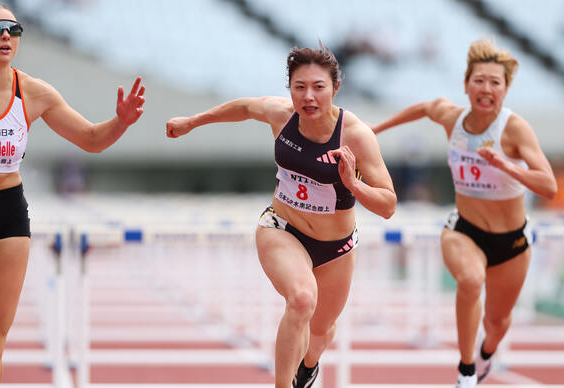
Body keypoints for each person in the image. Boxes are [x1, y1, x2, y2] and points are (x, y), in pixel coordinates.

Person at [166, 45, 396, 388]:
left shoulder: (356, 136)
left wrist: (352, 184)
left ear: (335, 88)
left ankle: (309, 366)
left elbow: (388, 205)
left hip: (337, 247)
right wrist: (192, 122)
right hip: (282, 228)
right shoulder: (281, 114)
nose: (309, 96)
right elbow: (244, 107)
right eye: (299, 86)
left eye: (318, 87)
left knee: (321, 330)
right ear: (289, 88)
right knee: (302, 299)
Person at [0, 4, 145, 387]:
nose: (7, 35)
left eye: (14, 29)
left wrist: (120, 121)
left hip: (5, 218)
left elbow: (90, 139)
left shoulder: (34, 93)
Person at [372, 38, 557, 388]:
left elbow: (548, 185)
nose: (486, 89)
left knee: (498, 321)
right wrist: (372, 131)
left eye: (495, 82)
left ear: (505, 89)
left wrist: (506, 165)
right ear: (466, 84)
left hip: (511, 241)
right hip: (464, 229)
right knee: (470, 281)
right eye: (479, 80)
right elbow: (426, 108)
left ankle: (487, 351)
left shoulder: (514, 129)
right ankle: (467, 370)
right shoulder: (452, 118)